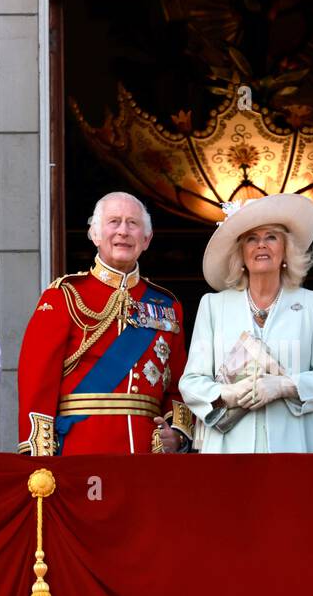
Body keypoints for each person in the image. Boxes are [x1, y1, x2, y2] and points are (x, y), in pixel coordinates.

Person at [16, 192, 192, 456]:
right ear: (95, 235)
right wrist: (40, 458)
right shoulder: (64, 296)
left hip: (147, 455)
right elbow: (36, 380)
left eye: (132, 223)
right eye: (114, 222)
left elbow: (179, 383)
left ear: (146, 239)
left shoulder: (167, 306)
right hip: (79, 450)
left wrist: (176, 434)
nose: (123, 231)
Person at [179, 194, 313, 453]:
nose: (261, 245)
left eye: (271, 237)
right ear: (241, 253)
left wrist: (283, 386)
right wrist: (228, 393)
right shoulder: (213, 305)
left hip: (294, 446)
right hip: (227, 449)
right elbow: (191, 383)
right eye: (251, 238)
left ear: (285, 249)